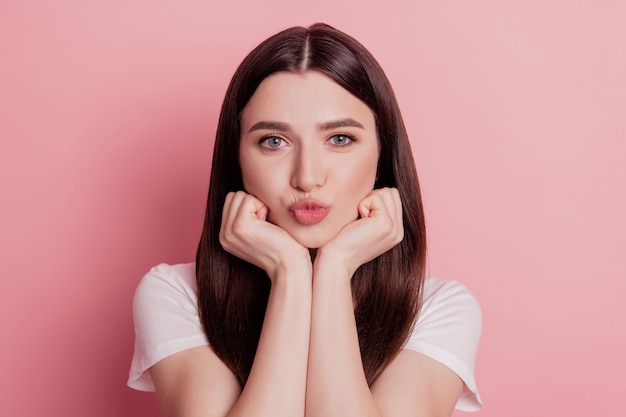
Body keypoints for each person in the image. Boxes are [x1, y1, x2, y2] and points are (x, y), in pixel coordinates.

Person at [128, 23, 482, 417]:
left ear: (383, 153)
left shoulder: (438, 308)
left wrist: (334, 270)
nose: (307, 176)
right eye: (273, 141)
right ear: (238, 158)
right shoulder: (175, 295)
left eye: (340, 138)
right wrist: (290, 273)